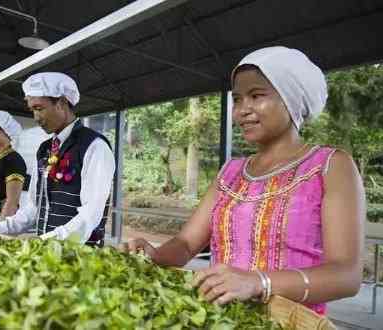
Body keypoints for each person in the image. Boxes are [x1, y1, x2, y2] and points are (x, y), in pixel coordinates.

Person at [124, 46, 365, 314]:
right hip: (224, 317)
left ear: (292, 99)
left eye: (256, 96)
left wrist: (257, 282)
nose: (241, 110)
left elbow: (346, 275)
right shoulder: (231, 172)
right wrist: (155, 254)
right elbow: (186, 244)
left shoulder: (330, 166)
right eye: (237, 99)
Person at [0, 72, 116, 247]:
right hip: (46, 252)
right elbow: (34, 208)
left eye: (39, 108)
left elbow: (91, 213)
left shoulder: (94, 146)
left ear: (62, 103)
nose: (36, 118)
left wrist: (47, 240)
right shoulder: (45, 150)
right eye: (32, 110)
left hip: (80, 257)